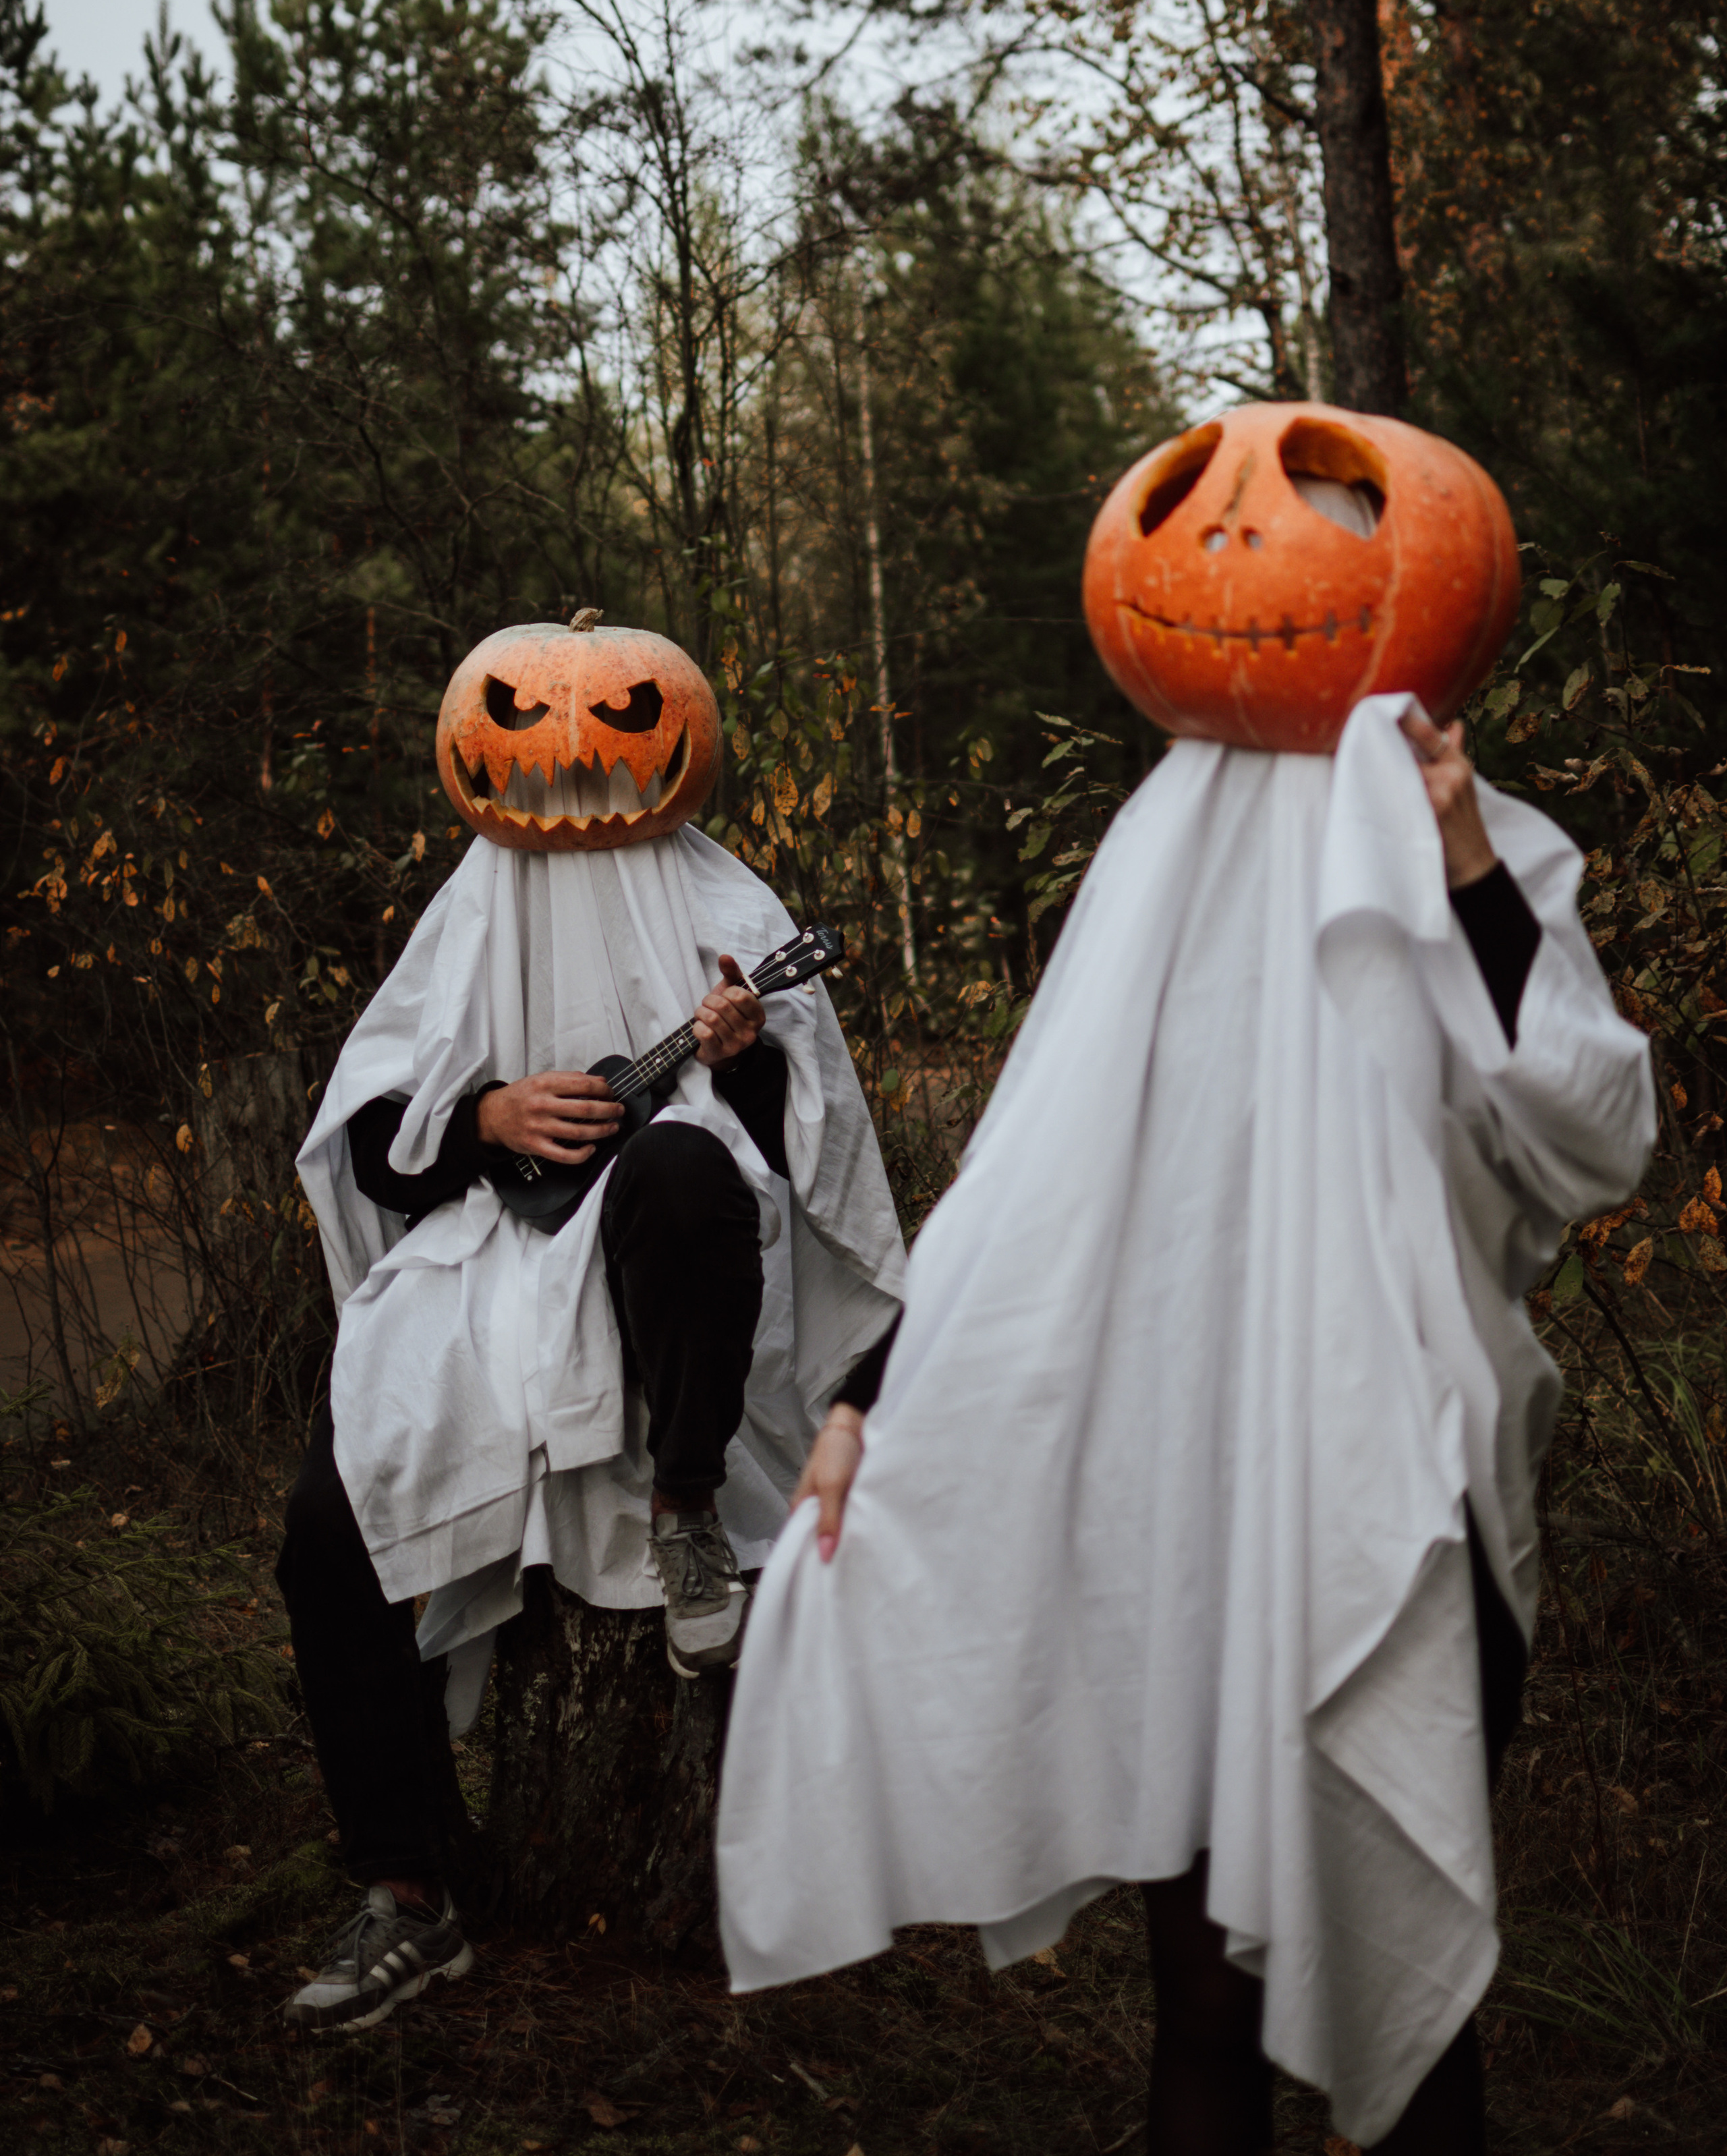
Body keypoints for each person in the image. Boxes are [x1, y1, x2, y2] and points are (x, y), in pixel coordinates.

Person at [716, 691, 1653, 2153]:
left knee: (1409, 2005)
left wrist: (1459, 854)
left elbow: (1588, 1131)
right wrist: (862, 1402)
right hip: (1184, 1498)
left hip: (1409, 1494)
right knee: (1203, 1999)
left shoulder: (1486, 861)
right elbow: (1037, 1194)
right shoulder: (1157, 863)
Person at [275, 619, 903, 2035]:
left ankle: (684, 1505)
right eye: (524, 721)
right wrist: (485, 1116)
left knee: (681, 1163)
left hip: (674, 1287)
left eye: (609, 720)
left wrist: (734, 1075)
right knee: (327, 1530)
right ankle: (408, 1893)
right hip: (486, 1265)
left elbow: (806, 1152)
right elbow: (372, 1138)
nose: (566, 751)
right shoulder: (470, 904)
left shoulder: (721, 903)